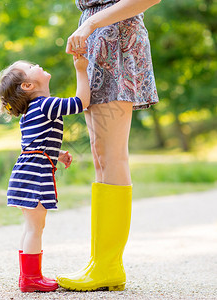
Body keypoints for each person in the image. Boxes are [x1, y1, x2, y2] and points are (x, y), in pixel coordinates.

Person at [57, 0, 161, 292]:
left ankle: (109, 265)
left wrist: (91, 23)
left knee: (112, 156)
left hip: (116, 41)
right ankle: (99, 262)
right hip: (100, 42)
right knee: (101, 156)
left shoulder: (99, 22)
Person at [0, 56, 90, 292]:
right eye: (30, 67)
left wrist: (57, 154)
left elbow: (35, 144)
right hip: (34, 175)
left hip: (26, 171)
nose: (36, 65)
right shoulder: (46, 105)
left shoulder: (31, 111)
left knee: (31, 227)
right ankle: (31, 279)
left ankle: (27, 276)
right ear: (28, 86)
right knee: (35, 228)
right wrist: (81, 69)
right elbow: (82, 102)